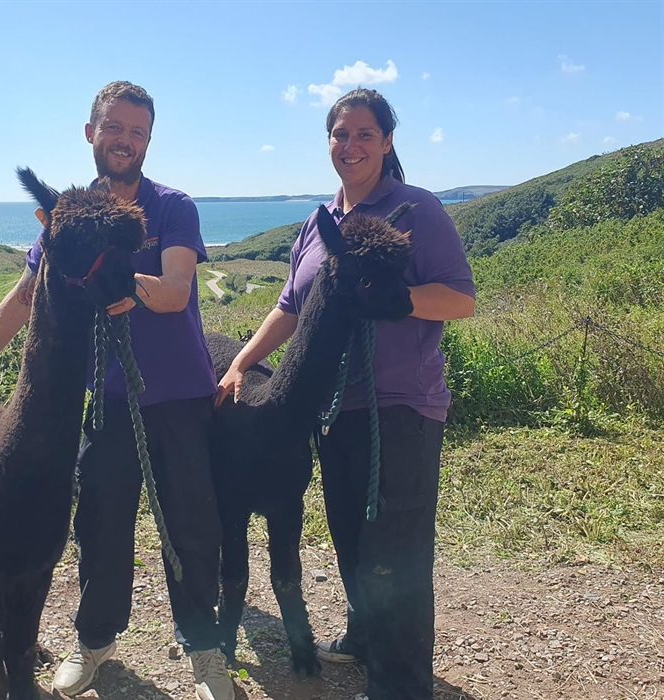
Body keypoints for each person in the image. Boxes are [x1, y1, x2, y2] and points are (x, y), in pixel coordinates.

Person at [0, 81, 233, 700]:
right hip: (109, 399)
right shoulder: (70, 217)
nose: (126, 141)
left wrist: (119, 282)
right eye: (114, 128)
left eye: (138, 131)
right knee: (100, 526)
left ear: (148, 141)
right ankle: (94, 643)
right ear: (91, 133)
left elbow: (175, 292)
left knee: (192, 527)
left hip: (177, 397)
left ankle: (204, 652)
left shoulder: (172, 207)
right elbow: (25, 295)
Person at [215, 88, 475, 700]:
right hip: (331, 409)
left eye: (364, 134)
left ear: (387, 142)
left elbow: (461, 299)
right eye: (340, 134)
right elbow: (289, 308)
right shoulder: (320, 222)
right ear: (329, 143)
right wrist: (243, 364)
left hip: (401, 406)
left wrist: (399, 300)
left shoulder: (415, 212)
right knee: (351, 539)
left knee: (396, 550)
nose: (351, 146)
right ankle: (363, 640)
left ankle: (400, 687)